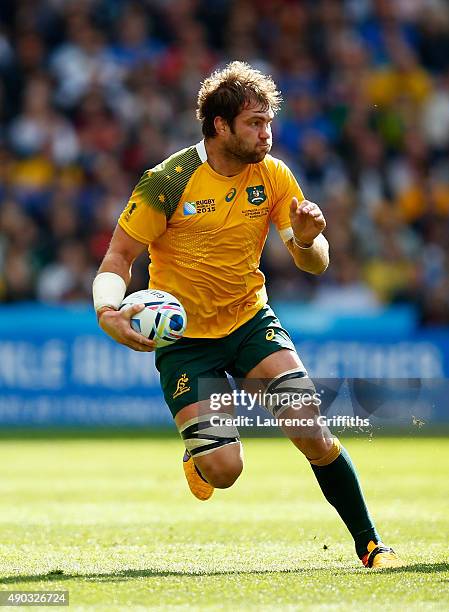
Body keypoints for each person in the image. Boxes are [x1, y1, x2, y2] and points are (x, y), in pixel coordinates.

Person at [93, 61, 402, 569]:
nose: (267, 133)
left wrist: (306, 240)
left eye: (268, 122)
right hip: (187, 343)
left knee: (310, 428)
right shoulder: (167, 181)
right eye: (255, 123)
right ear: (221, 126)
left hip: (250, 322)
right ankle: (201, 456)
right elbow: (118, 259)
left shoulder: (274, 175)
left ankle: (371, 544)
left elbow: (315, 262)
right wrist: (107, 310)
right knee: (224, 469)